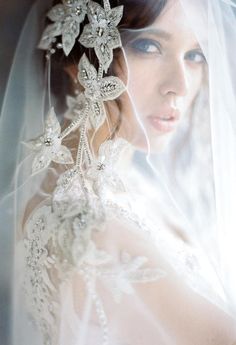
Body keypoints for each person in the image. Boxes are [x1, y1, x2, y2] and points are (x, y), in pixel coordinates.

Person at [0, 0, 236, 344]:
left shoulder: (132, 187)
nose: (180, 86)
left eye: (196, 55)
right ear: (81, 57)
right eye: (148, 46)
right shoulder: (96, 229)